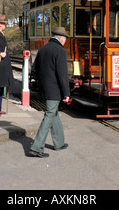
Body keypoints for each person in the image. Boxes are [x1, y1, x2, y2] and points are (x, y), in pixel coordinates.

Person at [29, 26, 71, 158]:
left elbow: (34, 69)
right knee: (49, 115)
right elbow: (62, 75)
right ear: (62, 39)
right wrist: (67, 93)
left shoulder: (43, 49)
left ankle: (59, 142)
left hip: (44, 88)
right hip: (54, 89)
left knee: (54, 113)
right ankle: (36, 147)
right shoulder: (60, 50)